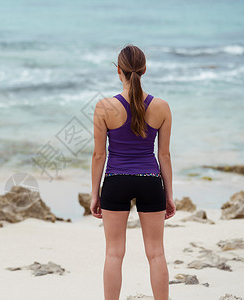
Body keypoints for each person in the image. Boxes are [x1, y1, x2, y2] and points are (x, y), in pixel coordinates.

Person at [90, 44, 176, 300]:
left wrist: (95, 194)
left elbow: (98, 155)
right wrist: (169, 195)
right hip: (150, 181)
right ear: (145, 69)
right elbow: (164, 156)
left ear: (119, 71)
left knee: (114, 253)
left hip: (116, 182)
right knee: (156, 253)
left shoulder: (104, 107)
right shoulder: (161, 107)